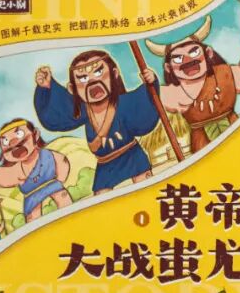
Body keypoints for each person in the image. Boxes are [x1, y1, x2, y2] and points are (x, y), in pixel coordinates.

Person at [34, 51, 160, 193]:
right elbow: (57, 116)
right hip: (105, 165)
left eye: (99, 72)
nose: (93, 82)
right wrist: (47, 87)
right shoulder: (81, 111)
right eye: (83, 78)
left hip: (132, 156)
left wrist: (150, 84)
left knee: (146, 188)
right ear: (72, 89)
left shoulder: (125, 103)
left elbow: (144, 114)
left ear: (114, 74)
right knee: (102, 195)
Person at [147, 17, 240, 153]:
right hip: (203, 147)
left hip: (237, 135)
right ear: (168, 68)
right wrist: (152, 82)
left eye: (194, 52)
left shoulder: (225, 74)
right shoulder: (175, 93)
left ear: (208, 53)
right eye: (178, 58)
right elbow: (155, 96)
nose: (188, 61)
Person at [0, 119, 72, 221]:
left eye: (19, 133)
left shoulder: (47, 155)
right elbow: (6, 179)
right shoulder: (17, 169)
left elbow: (61, 161)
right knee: (32, 216)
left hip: (52, 185)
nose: (13, 142)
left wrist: (61, 178)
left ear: (35, 135)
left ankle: (71, 217)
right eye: (6, 141)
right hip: (32, 196)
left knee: (62, 197)